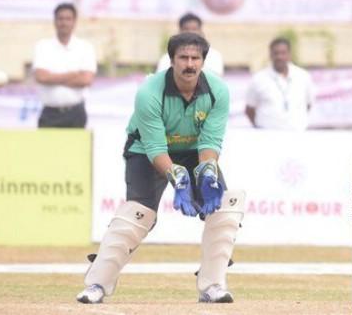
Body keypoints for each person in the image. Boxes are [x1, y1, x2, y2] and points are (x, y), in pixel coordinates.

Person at [77, 32, 242, 305]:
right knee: (138, 214)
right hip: (145, 151)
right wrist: (179, 179)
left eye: (195, 58)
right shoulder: (149, 92)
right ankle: (96, 283)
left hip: (193, 151)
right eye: (183, 58)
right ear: (172, 60)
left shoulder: (218, 90)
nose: (189, 64)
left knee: (223, 206)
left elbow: (210, 141)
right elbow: (156, 149)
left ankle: (212, 285)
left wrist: (208, 172)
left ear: (203, 61)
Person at [32, 3, 97, 128]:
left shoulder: (85, 48)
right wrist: (73, 74)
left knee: (76, 148)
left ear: (74, 22)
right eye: (60, 18)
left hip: (75, 113)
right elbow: (41, 77)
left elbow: (86, 79)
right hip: (49, 114)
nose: (64, 23)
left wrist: (53, 78)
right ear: (55, 21)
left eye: (68, 19)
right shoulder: (43, 46)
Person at [245, 37, 315, 131]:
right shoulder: (259, 78)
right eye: (276, 53)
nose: (279, 57)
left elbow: (308, 105)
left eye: (283, 53)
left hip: (297, 136)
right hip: (267, 136)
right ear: (270, 55)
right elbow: (249, 109)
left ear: (289, 54)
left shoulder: (303, 76)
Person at [156, 13, 225, 76]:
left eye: (194, 29)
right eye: (186, 29)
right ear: (179, 32)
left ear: (201, 31)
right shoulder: (166, 58)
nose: (190, 32)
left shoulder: (214, 56)